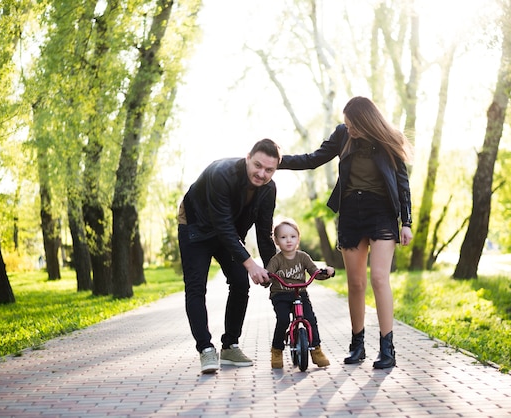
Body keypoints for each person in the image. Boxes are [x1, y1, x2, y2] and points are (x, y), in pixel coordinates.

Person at [279, 96, 413, 369]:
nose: (348, 129)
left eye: (352, 125)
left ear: (366, 122)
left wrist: (406, 222)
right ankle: (358, 345)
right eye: (346, 125)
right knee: (355, 283)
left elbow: (402, 182)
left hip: (381, 213)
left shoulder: (389, 139)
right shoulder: (343, 135)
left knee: (378, 278)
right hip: (351, 213)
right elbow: (314, 159)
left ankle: (387, 349)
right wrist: (276, 162)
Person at [177, 139, 281, 374]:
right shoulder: (221, 173)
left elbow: (264, 232)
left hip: (228, 233)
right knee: (195, 288)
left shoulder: (268, 189)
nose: (262, 174)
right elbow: (222, 225)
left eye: (269, 170)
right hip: (196, 227)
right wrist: (250, 264)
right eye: (257, 166)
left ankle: (230, 347)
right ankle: (205, 349)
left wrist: (274, 270)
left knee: (240, 282)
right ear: (247, 157)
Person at [264, 219, 334, 369]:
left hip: (300, 293)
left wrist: (326, 272)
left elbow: (315, 272)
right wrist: (264, 278)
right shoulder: (276, 260)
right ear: (276, 241)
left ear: (298, 238)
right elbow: (267, 276)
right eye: (283, 237)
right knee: (283, 320)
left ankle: (316, 350)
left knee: (310, 319)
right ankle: (277, 350)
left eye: (292, 236)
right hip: (280, 295)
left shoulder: (303, 257)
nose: (288, 240)